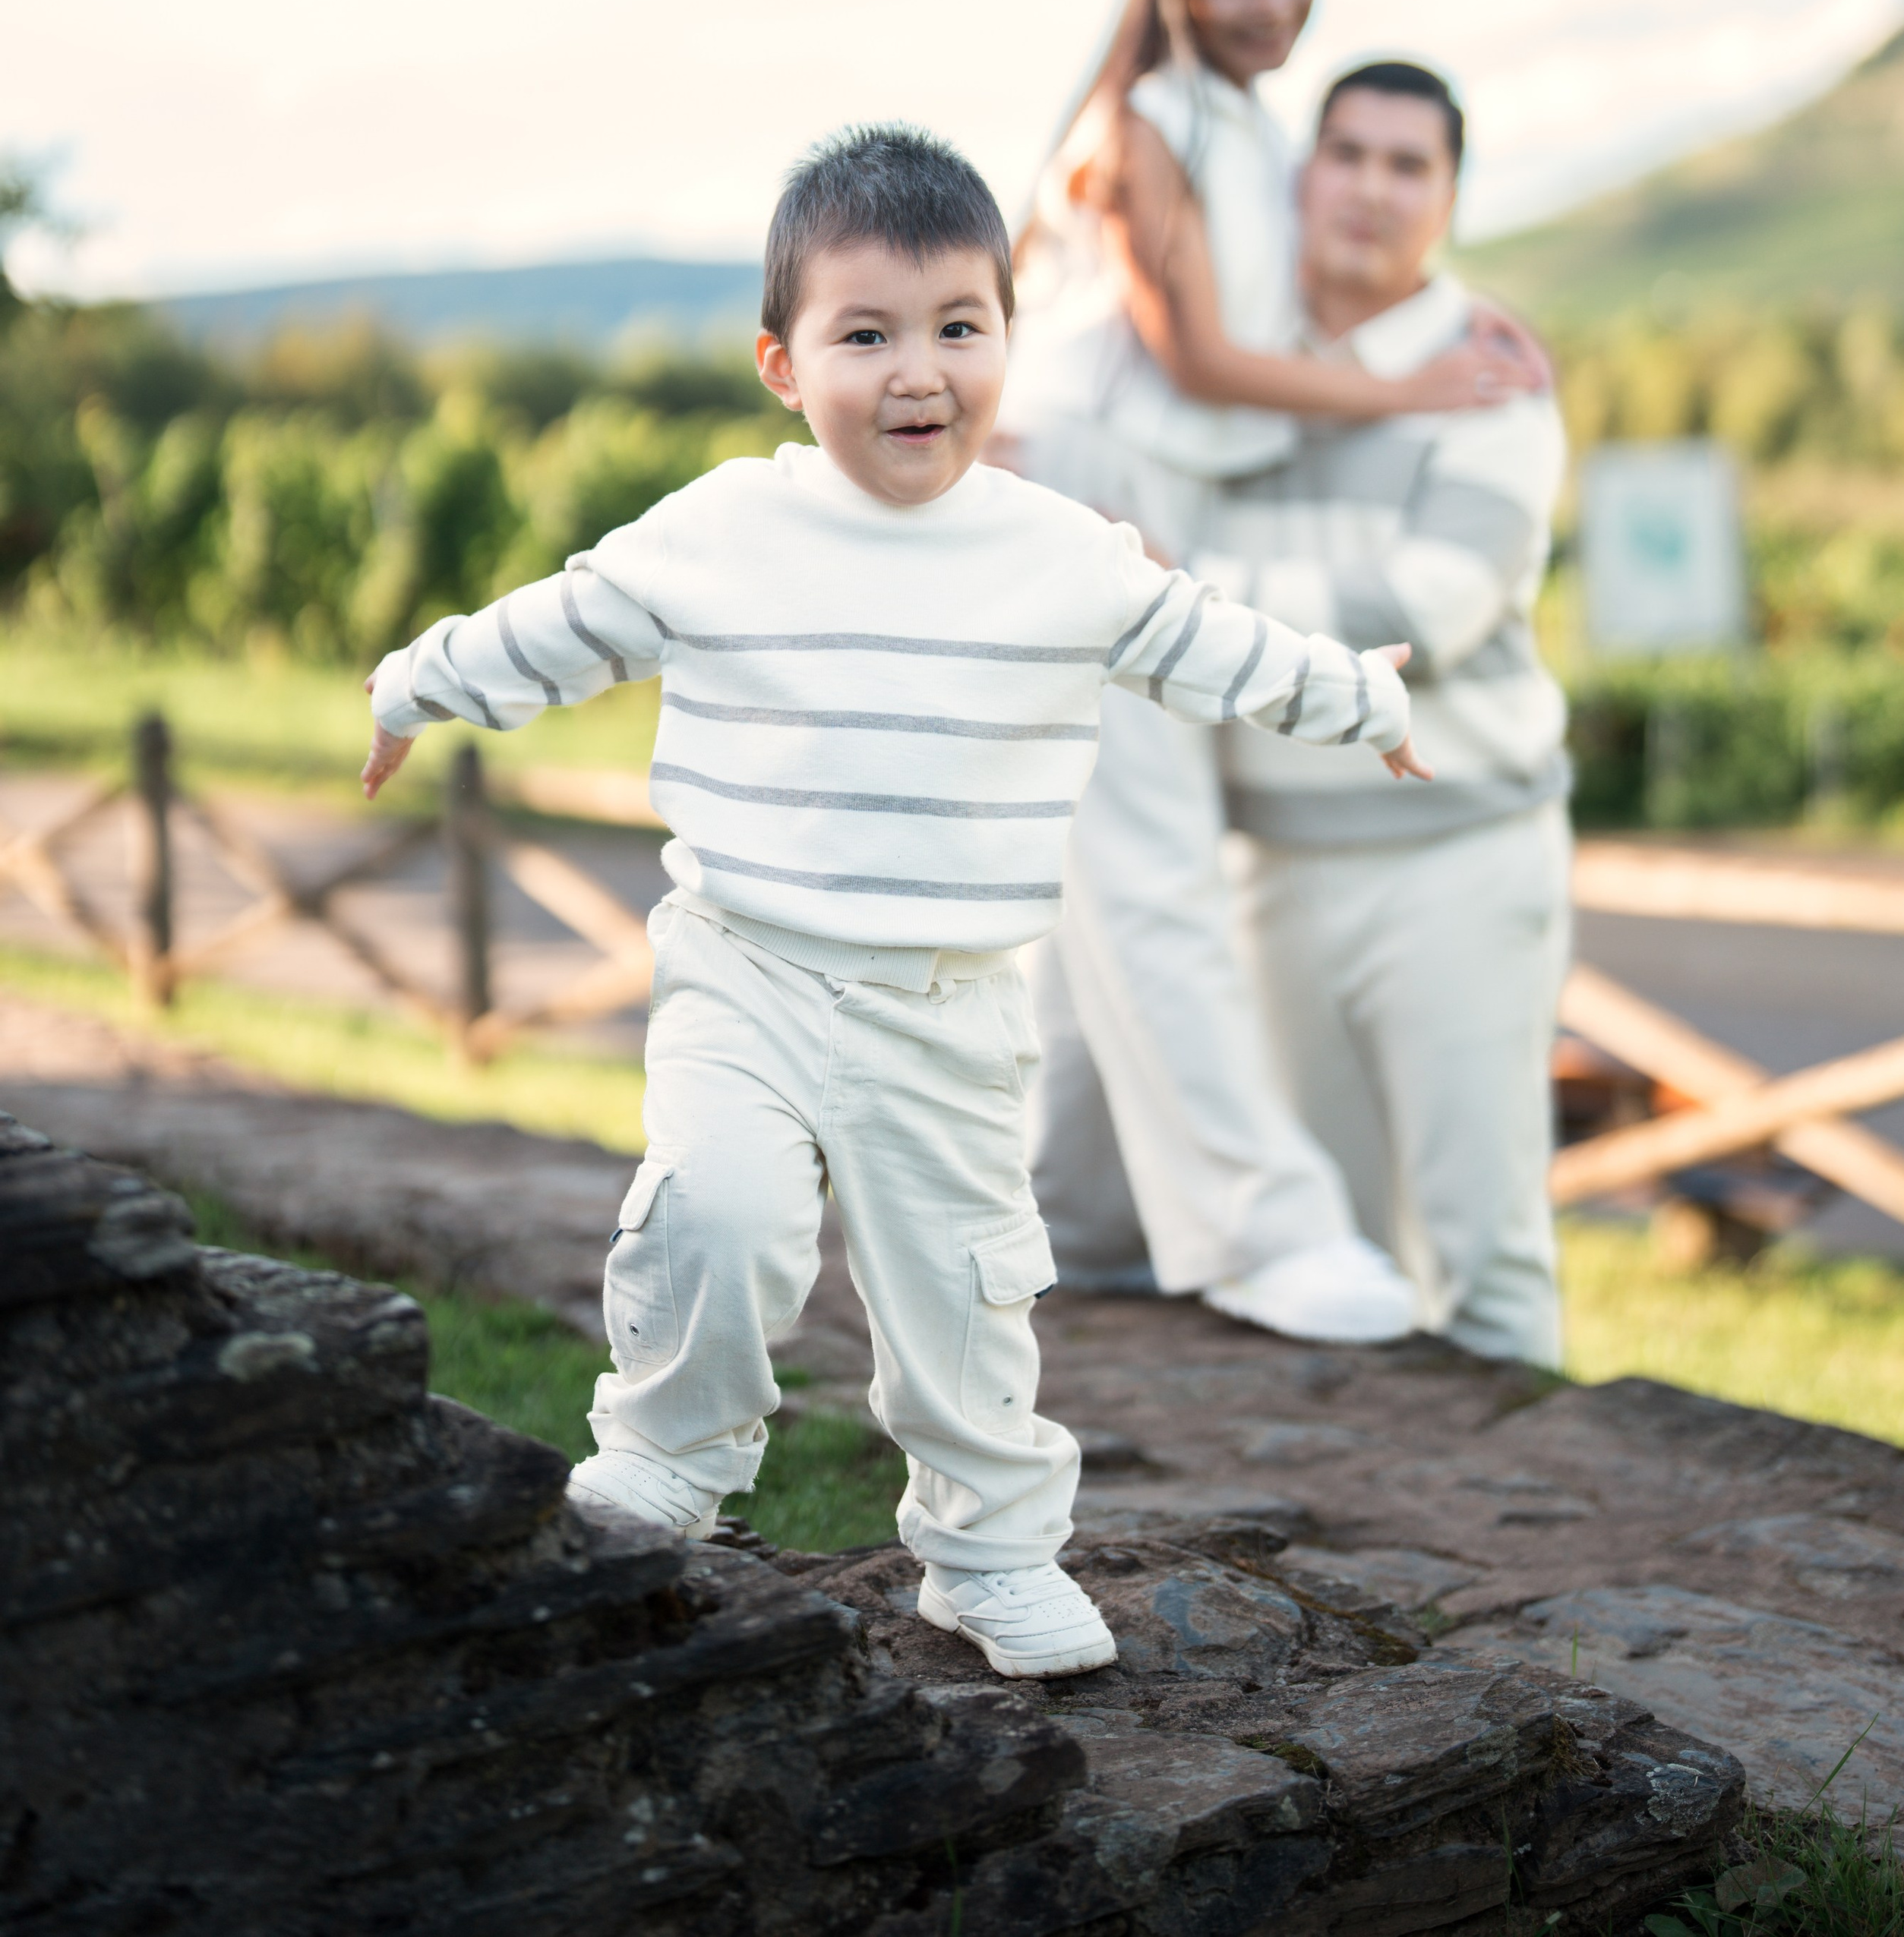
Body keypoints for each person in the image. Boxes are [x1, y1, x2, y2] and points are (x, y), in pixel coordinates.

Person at [360, 123, 1427, 1683]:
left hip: (950, 1001)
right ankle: (668, 1461)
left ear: (1004, 338)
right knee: (710, 1213)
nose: (915, 370)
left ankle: (987, 1550)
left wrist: (1353, 698)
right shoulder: (723, 529)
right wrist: (415, 681)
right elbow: (565, 622)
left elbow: (1210, 643)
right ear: (783, 364)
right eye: (864, 334)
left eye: (956, 327)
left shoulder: (1060, 552)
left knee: (963, 1291)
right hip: (746, 970)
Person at [999, 0, 1543, 1341]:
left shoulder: (1238, 124)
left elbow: (1275, 333)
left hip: (1138, 488)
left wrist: (1440, 324)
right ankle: (1253, 1222)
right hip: (1093, 483)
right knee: (1148, 857)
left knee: (1104, 868)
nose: (1267, 2)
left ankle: (1074, 1218)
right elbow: (1196, 365)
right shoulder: (1144, 123)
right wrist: (1414, 384)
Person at [1207, 62, 1571, 1366]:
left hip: (1455, 862)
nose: (1369, 188)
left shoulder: (1491, 377)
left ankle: (1545, 1559)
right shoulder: (1227, 356)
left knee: (1486, 1251)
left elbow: (1420, 613)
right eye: (1346, 153)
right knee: (1331, 1257)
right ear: (1305, 173)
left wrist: (1174, 593)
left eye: (1407, 164)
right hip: (1269, 868)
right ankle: (1381, 1572)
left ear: (1452, 194)